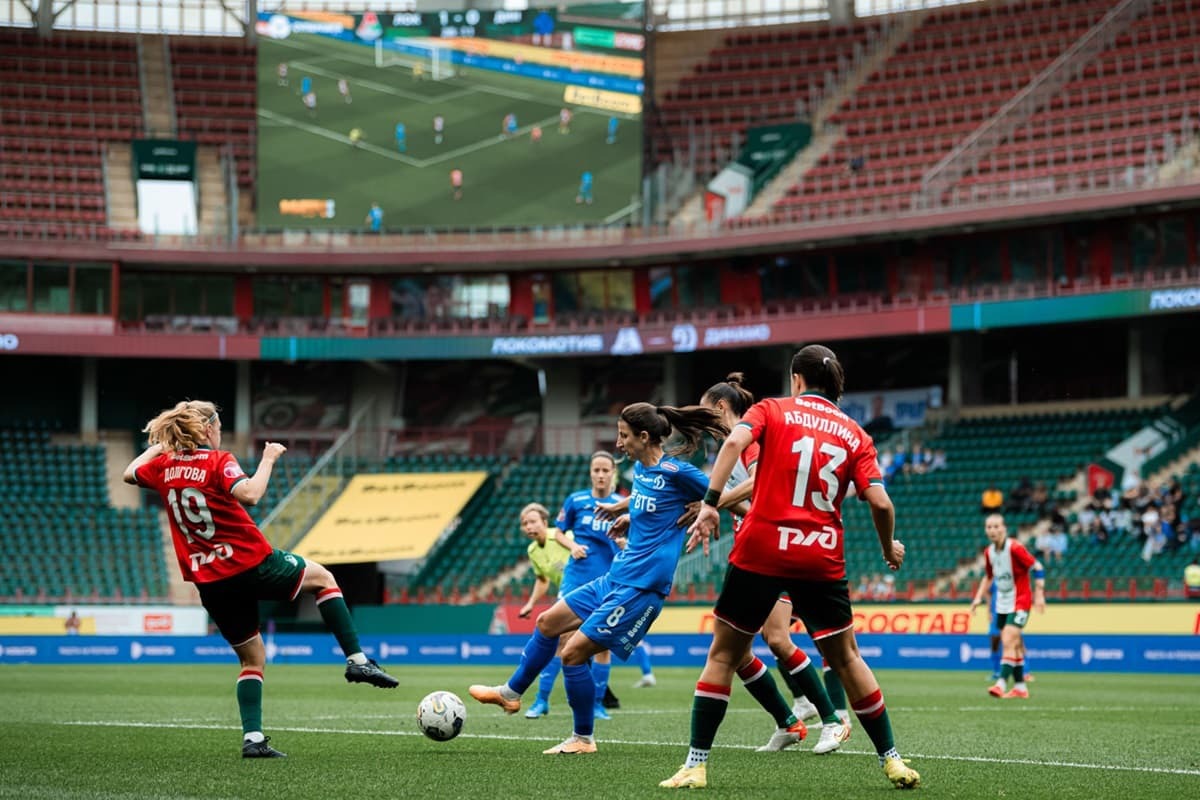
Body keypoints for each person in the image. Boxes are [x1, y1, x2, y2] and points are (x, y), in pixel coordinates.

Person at [661, 345, 920, 790]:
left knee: (724, 654)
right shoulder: (856, 434)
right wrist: (887, 547)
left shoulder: (771, 409)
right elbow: (879, 500)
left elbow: (736, 443)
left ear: (796, 379)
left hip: (762, 547)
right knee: (846, 658)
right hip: (819, 553)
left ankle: (695, 765)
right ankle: (892, 759)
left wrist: (709, 506)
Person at [122, 400, 398, 759]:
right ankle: (357, 660)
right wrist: (268, 458)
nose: (220, 433)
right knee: (324, 578)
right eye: (218, 426)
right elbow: (250, 494)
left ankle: (253, 739)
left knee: (252, 660)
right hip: (250, 563)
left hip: (210, 581)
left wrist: (162, 445)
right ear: (207, 429)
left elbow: (130, 473)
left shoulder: (164, 467)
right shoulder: (219, 461)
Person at [469, 402, 728, 755]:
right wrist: (628, 516)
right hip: (616, 576)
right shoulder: (641, 471)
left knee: (573, 653)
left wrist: (707, 505)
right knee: (548, 623)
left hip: (642, 588)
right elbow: (653, 505)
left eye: (623, 436)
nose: (618, 443)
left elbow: (732, 497)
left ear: (644, 436)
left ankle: (583, 739)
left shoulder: (677, 471)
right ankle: (511, 694)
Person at [697, 372, 850, 755]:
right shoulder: (726, 450)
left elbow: (759, 483)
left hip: (776, 550)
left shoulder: (749, 441)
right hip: (756, 551)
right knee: (741, 649)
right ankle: (789, 721)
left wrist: (714, 501)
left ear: (720, 407)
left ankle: (832, 720)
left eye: (705, 412)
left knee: (777, 638)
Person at [527, 452, 624, 721]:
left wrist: (623, 546)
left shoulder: (620, 504)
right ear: (590, 473)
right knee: (561, 637)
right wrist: (573, 546)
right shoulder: (576, 500)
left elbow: (632, 539)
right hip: (577, 576)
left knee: (602, 643)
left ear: (613, 473)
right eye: (596, 470)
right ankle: (540, 700)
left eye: (606, 470)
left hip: (609, 580)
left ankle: (596, 704)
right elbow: (557, 531)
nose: (601, 474)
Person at [970, 513, 1045, 699]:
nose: (992, 530)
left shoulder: (1015, 548)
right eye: (989, 527)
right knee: (1014, 643)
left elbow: (1038, 567)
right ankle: (1020, 686)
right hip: (1002, 604)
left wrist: (1040, 594)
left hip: (1020, 600)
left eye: (996, 526)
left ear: (1004, 528)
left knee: (1009, 639)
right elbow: (988, 576)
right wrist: (978, 597)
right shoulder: (989, 552)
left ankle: (1001, 683)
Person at [518, 503, 572, 621]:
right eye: (525, 523)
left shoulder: (563, 536)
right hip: (566, 596)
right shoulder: (532, 551)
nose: (528, 526)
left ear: (544, 522)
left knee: (548, 624)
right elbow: (542, 580)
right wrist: (530, 604)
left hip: (583, 591)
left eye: (533, 521)